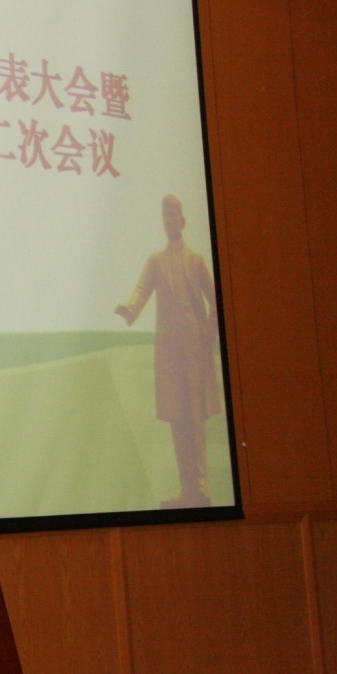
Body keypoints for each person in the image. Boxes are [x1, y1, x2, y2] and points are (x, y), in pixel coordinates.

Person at [115, 195, 222, 509]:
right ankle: (186, 487)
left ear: (182, 220)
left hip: (194, 348)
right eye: (165, 216)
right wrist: (131, 309)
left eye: (173, 215)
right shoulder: (156, 261)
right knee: (177, 416)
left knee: (195, 415)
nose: (169, 220)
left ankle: (198, 486)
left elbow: (216, 300)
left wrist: (208, 330)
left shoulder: (196, 261)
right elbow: (142, 289)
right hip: (170, 350)